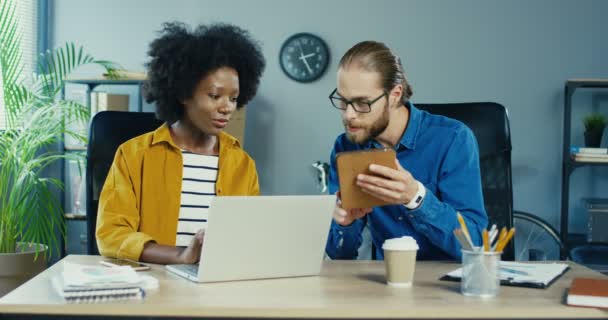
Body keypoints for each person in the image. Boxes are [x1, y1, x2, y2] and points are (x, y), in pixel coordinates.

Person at [96, 22, 266, 264]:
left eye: (234, 98)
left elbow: (252, 234)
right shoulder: (134, 155)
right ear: (183, 93)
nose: (227, 107)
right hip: (154, 284)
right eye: (215, 96)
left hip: (218, 284)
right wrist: (182, 255)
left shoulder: (242, 164)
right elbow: (111, 235)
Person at [325, 41, 487, 260]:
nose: (349, 115)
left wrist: (416, 198)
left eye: (362, 103)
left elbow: (476, 245)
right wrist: (346, 223)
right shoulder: (346, 147)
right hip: (386, 283)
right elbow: (340, 254)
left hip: (446, 286)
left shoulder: (453, 139)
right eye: (343, 101)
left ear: (395, 94)